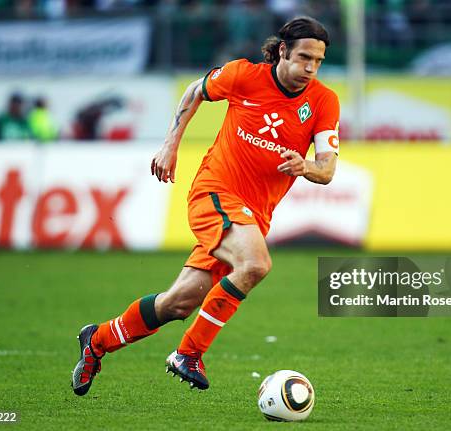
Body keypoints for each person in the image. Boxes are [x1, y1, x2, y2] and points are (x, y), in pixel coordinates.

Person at [71, 16, 340, 395]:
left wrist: (306, 165)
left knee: (178, 303)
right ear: (282, 51)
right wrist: (170, 144)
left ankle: (96, 340)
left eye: (318, 61)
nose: (310, 68)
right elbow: (194, 91)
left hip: (252, 217)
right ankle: (188, 354)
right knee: (256, 263)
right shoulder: (243, 76)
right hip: (214, 194)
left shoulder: (324, 101)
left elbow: (327, 169)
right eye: (303, 57)